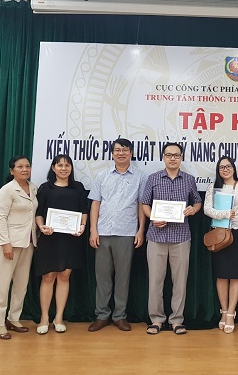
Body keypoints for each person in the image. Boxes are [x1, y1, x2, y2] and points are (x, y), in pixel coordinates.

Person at [141, 142, 202, 335]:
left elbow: (198, 202)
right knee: (155, 281)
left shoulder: (189, 179)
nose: (173, 158)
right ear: (163, 157)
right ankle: (156, 320)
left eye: (176, 155)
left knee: (180, 282)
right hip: (156, 236)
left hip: (181, 237)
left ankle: (177, 320)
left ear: (181, 157)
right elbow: (144, 203)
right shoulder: (153, 178)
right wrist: (152, 217)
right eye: (169, 155)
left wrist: (193, 209)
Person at [87, 138, 147, 332]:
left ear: (131, 153)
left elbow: (141, 204)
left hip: (127, 232)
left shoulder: (140, 176)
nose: (121, 153)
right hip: (103, 232)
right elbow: (95, 203)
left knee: (123, 277)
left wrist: (141, 230)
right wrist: (93, 230)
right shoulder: (102, 175)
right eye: (117, 150)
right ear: (112, 154)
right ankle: (102, 315)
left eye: (125, 150)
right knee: (102, 277)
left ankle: (120, 315)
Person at [34, 154, 89, 334]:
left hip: (71, 239)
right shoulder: (45, 188)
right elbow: (39, 213)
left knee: (64, 276)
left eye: (67, 165)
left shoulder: (78, 187)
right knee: (48, 277)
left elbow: (83, 210)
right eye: (60, 165)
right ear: (53, 168)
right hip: (50, 238)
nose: (64, 168)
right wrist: (41, 226)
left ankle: (59, 317)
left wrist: (82, 226)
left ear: (71, 168)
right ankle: (44, 318)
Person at [204, 156, 238, 333]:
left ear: (234, 168)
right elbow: (207, 209)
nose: (225, 169)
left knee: (236, 274)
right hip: (219, 233)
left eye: (228, 166)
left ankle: (232, 312)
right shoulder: (213, 187)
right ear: (218, 170)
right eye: (221, 167)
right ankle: (223, 311)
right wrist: (224, 214)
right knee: (222, 275)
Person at [0, 156, 38, 340]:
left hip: (29, 242)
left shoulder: (33, 188)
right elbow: (0, 217)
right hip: (10, 243)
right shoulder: (7, 190)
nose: (24, 169)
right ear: (12, 171)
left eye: (27, 166)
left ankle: (13, 318)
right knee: (2, 285)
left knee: (21, 284)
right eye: (20, 167)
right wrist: (5, 243)